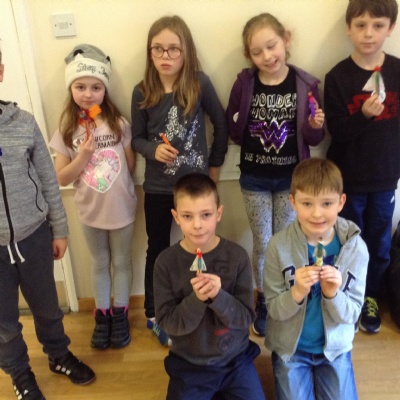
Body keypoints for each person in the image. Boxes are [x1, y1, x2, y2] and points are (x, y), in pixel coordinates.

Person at [0, 41, 95, 400]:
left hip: (34, 236)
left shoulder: (23, 123)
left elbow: (48, 181)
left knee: (47, 307)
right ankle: (20, 373)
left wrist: (60, 229)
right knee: (4, 322)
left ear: (1, 72)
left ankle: (58, 355)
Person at [131, 16, 228, 346]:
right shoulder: (142, 91)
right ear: (150, 52)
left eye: (173, 48)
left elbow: (221, 124)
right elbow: (136, 139)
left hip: (196, 186)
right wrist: (153, 150)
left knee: (202, 243)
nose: (165, 56)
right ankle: (154, 314)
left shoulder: (199, 83)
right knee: (157, 248)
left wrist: (214, 168)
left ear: (186, 51)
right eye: (158, 49)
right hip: (159, 188)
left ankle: (205, 301)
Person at [226, 13, 325, 337]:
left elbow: (314, 138)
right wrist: (238, 121)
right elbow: (233, 129)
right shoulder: (245, 84)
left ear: (286, 39)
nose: (267, 56)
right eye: (257, 52)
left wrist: (314, 126)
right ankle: (266, 301)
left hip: (290, 181)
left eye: (272, 46)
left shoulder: (305, 85)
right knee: (264, 243)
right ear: (249, 56)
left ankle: (286, 298)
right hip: (254, 179)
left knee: (283, 242)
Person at [50, 44, 137, 349]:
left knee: (122, 261)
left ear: (105, 90)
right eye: (81, 87)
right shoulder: (66, 129)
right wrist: (84, 156)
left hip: (121, 208)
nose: (88, 94)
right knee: (100, 262)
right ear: (71, 88)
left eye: (96, 87)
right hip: (89, 211)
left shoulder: (118, 124)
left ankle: (120, 313)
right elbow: (61, 177)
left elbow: (130, 164)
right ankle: (102, 315)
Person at [153, 173, 265, 400]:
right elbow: (168, 323)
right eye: (187, 216)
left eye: (206, 215)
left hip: (235, 361)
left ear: (218, 214)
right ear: (176, 217)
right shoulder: (165, 263)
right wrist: (197, 300)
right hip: (190, 364)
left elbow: (245, 318)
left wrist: (218, 297)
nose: (197, 225)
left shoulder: (237, 257)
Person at [264, 158, 368, 400]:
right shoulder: (278, 246)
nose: (317, 213)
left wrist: (333, 294)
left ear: (341, 202)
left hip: (335, 350)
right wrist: (296, 292)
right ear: (293, 202)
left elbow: (352, 313)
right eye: (307, 203)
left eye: (327, 203)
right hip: (292, 350)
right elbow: (274, 309)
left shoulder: (355, 249)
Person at [324, 0, 399, 333]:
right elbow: (337, 132)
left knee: (379, 244)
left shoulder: (397, 71)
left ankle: (370, 296)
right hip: (349, 179)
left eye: (378, 25)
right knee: (347, 242)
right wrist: (363, 115)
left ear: (391, 29)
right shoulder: (338, 77)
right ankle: (344, 296)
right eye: (361, 25)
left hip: (385, 178)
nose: (369, 33)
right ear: (348, 28)